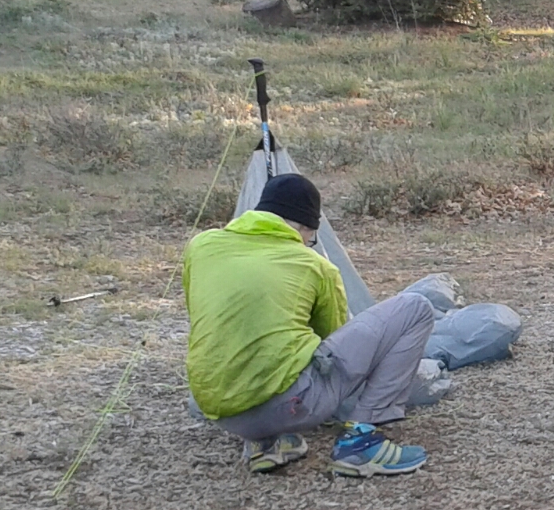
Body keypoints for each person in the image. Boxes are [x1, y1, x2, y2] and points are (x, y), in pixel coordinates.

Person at [182, 173, 437, 477]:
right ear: (303, 227)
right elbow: (333, 340)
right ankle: (362, 442)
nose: (309, 243)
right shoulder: (314, 265)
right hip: (289, 406)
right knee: (415, 307)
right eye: (310, 236)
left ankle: (269, 444)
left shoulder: (201, 247)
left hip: (222, 413)